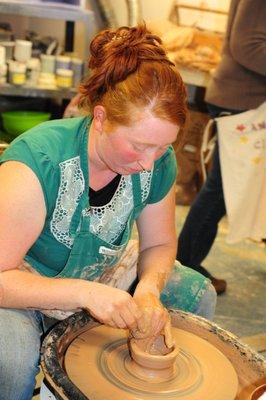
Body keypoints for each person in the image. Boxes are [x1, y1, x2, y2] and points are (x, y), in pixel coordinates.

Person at [0, 24, 216, 400]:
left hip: (100, 270)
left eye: (161, 148)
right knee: (12, 359)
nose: (150, 163)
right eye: (139, 146)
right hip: (24, 283)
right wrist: (85, 294)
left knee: (197, 294)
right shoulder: (38, 163)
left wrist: (149, 289)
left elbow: (160, 243)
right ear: (100, 118)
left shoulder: (157, 162)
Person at [177, 0, 266, 295]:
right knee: (222, 190)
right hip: (243, 100)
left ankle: (184, 261)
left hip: (246, 99)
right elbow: (247, 45)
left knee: (228, 188)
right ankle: (184, 264)